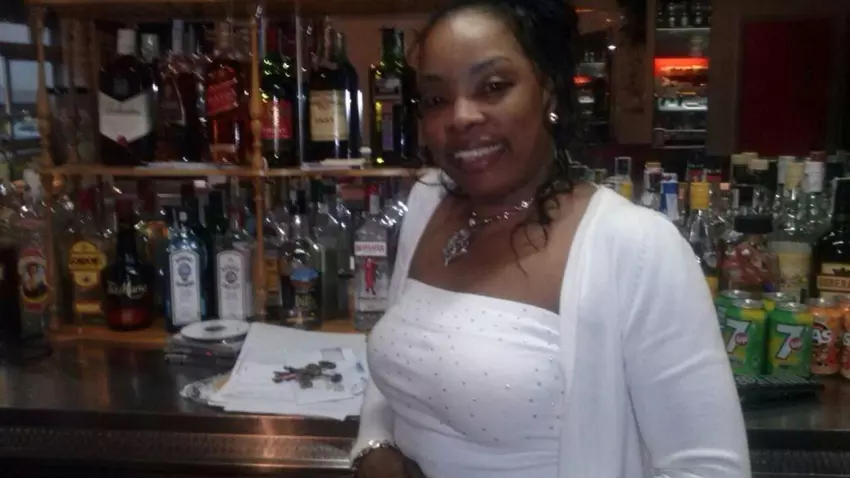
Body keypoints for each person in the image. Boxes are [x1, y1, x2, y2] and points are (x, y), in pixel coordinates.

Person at [351, 0, 750, 477]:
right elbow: (396, 368)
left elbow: (708, 468)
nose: (460, 117)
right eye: (436, 99)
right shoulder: (427, 202)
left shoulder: (635, 246)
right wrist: (374, 447)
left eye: (493, 86)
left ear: (549, 92)